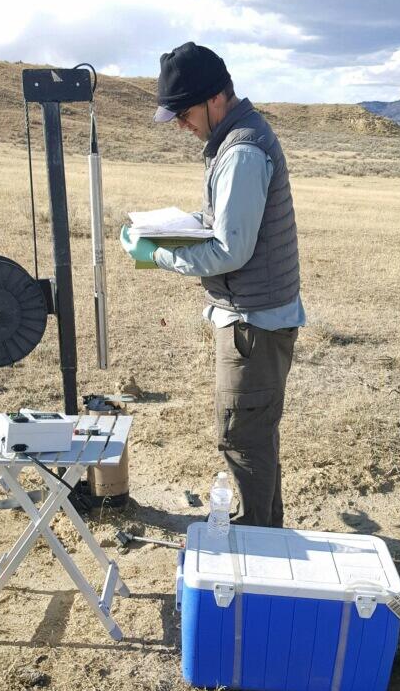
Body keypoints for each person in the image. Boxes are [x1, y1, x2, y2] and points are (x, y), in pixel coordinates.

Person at [120, 42, 305, 528]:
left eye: (183, 113)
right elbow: (227, 223)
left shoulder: (241, 150)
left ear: (214, 99)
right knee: (253, 437)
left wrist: (156, 255)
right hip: (256, 320)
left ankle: (258, 545)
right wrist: (177, 229)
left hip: (253, 327)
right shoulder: (236, 140)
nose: (181, 125)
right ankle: (266, 535)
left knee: (243, 440)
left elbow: (230, 250)